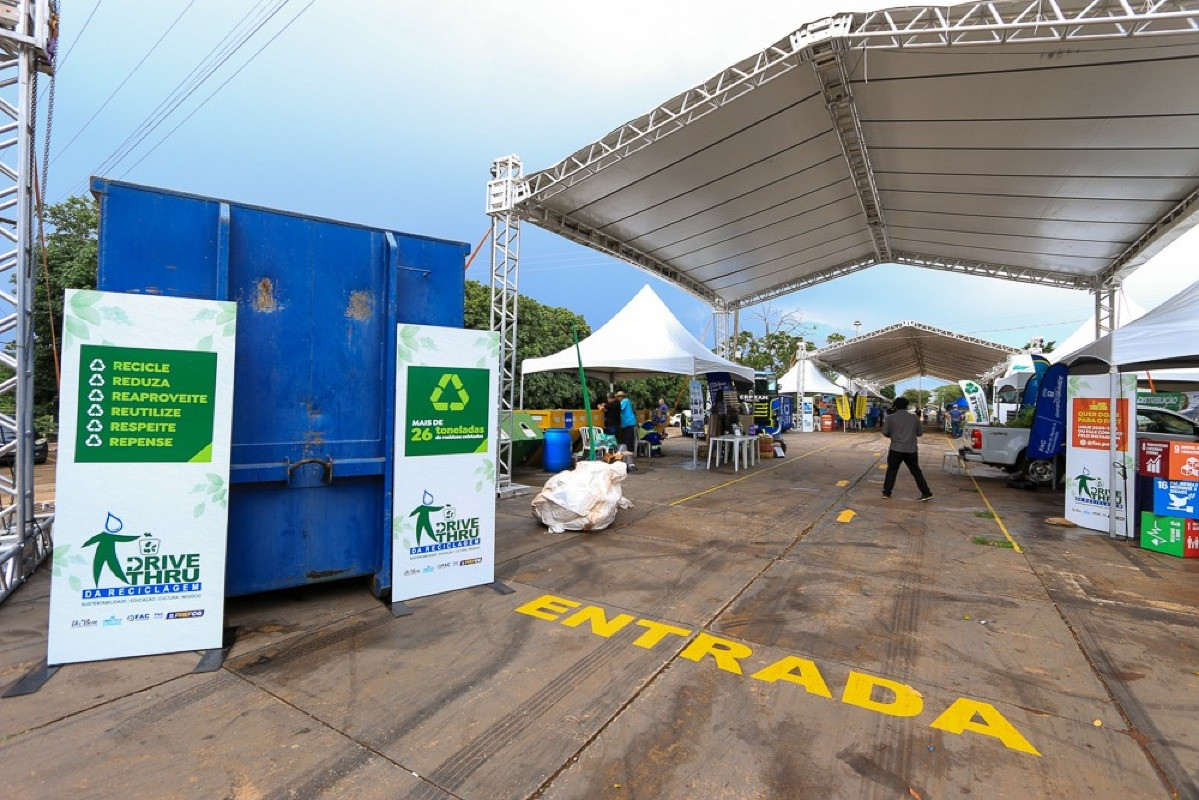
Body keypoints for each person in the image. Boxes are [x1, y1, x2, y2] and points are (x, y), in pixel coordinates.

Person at [881, 396, 932, 501]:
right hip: (911, 449)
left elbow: (885, 432)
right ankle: (926, 492)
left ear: (895, 406)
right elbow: (919, 433)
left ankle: (887, 492)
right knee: (916, 471)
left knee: (891, 471)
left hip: (895, 448)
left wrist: (894, 436)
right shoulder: (914, 418)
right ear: (907, 406)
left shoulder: (890, 418)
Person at [616, 390, 639, 471]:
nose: (618, 399)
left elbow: (619, 408)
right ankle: (629, 462)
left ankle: (629, 463)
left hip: (628, 424)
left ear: (621, 397)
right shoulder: (628, 401)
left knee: (627, 443)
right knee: (628, 443)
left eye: (618, 397)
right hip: (629, 424)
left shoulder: (625, 401)